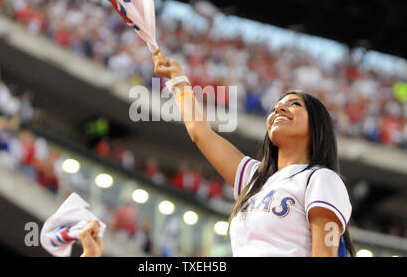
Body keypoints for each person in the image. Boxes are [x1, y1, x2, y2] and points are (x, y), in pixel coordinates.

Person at [80, 49, 355, 257]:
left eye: (294, 104)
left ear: (317, 124)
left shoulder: (321, 180)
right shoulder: (255, 178)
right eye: (275, 106)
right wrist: (180, 83)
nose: (279, 109)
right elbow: (201, 134)